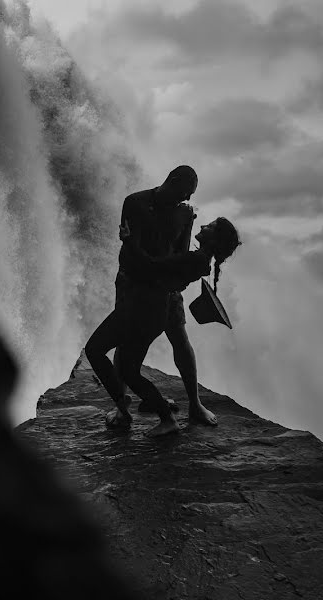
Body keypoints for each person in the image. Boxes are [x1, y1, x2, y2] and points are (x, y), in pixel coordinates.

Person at [85, 170, 241, 436]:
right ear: (173, 182)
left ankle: (176, 408)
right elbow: (165, 265)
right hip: (143, 293)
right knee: (131, 362)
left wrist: (131, 243)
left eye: (209, 227)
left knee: (158, 346)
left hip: (151, 297)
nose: (189, 198)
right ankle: (131, 406)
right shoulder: (136, 203)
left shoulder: (185, 223)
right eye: (186, 191)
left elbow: (159, 264)